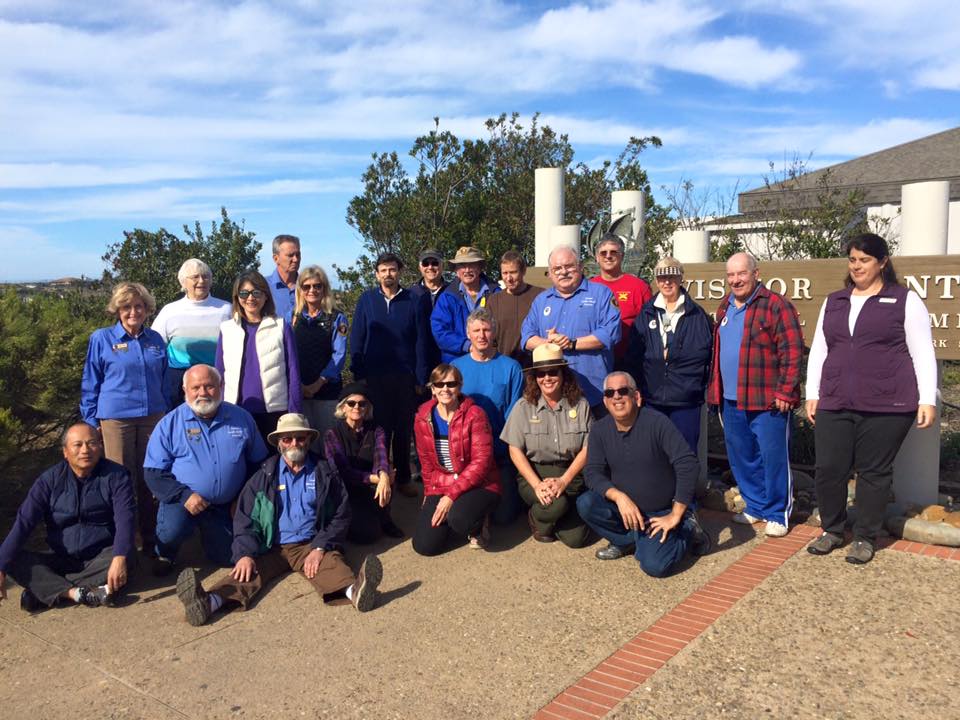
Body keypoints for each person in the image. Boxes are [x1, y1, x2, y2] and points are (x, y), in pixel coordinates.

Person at [174, 413, 382, 626]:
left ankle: (356, 592)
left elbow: (341, 513)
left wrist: (320, 547)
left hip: (309, 544)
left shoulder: (325, 472)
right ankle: (209, 603)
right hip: (271, 546)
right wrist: (244, 554)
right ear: (278, 443)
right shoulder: (263, 477)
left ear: (309, 440)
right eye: (287, 439)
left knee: (333, 565)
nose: (294, 443)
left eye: (300, 438)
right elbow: (245, 518)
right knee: (246, 573)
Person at [805, 233, 937, 564]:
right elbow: (821, 349)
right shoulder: (834, 301)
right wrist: (812, 392)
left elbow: (922, 350)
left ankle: (865, 536)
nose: (857, 266)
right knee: (829, 469)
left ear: (882, 263)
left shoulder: (904, 300)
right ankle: (832, 530)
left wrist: (927, 398)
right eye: (852, 260)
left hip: (887, 404)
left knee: (874, 472)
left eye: (864, 260)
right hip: (835, 400)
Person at [707, 252, 804, 538]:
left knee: (773, 457)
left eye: (741, 274)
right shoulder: (725, 306)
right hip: (731, 399)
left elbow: (792, 350)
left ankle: (777, 512)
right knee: (743, 456)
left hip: (767, 400)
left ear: (756, 273)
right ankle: (757, 506)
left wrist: (786, 390)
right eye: (731, 275)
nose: (736, 280)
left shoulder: (775, 305)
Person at [577, 372, 709, 577]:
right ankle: (628, 541)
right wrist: (618, 497)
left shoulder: (657, 423)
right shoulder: (599, 430)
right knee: (586, 503)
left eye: (623, 391)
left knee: (655, 565)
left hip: (660, 512)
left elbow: (688, 464)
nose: (617, 397)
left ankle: (688, 528)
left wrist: (675, 513)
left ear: (636, 397)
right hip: (625, 510)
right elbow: (592, 472)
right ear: (605, 401)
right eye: (610, 393)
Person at [144, 364, 268, 574]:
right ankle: (164, 551)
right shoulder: (169, 424)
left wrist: (243, 496)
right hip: (183, 501)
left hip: (226, 504)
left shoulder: (242, 418)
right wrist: (185, 496)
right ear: (185, 390)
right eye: (196, 388)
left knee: (228, 558)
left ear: (221, 386)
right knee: (171, 532)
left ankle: (209, 535)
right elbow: (154, 473)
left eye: (209, 386)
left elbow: (259, 463)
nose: (202, 393)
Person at [0, 424, 135, 611]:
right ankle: (76, 593)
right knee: (12, 558)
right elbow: (24, 523)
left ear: (100, 447)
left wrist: (119, 558)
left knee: (125, 556)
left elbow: (125, 519)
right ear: (65, 452)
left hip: (100, 557)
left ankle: (44, 592)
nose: (85, 450)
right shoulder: (49, 480)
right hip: (60, 557)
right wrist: (1, 568)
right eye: (78, 445)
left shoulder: (117, 476)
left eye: (91, 443)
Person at [80, 281, 167, 555]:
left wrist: (165, 412)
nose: (133, 312)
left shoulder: (155, 340)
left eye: (139, 306)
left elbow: (164, 379)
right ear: (117, 309)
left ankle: (152, 535)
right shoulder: (102, 339)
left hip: (153, 417)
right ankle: (125, 539)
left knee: (151, 477)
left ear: (147, 309)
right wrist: (90, 421)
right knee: (121, 480)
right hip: (116, 419)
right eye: (127, 307)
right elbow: (90, 381)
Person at [350, 252, 431, 498]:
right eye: (383, 270)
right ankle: (381, 475)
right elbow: (357, 339)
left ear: (399, 272)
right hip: (374, 378)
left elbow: (421, 342)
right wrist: (359, 376)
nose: (388, 274)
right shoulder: (366, 300)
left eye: (392, 269)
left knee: (403, 429)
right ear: (376, 274)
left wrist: (420, 378)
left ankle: (404, 477)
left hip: (405, 377)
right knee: (378, 430)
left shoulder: (412, 300)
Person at [501, 344, 591, 546]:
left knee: (576, 539)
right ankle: (539, 516)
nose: (547, 378)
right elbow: (514, 449)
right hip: (535, 472)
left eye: (553, 372)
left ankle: (553, 516)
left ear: (563, 373)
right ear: (534, 377)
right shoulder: (523, 406)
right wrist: (537, 484)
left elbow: (588, 447)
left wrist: (564, 481)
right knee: (554, 506)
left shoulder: (581, 404)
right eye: (541, 374)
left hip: (571, 473)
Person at [626, 257, 713, 453]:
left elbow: (706, 357)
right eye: (662, 278)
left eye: (672, 277)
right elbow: (634, 356)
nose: (667, 282)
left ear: (681, 278)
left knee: (683, 453)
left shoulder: (697, 316)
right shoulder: (646, 313)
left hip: (686, 400)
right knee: (653, 452)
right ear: (656, 281)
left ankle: (683, 486)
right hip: (652, 398)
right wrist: (637, 389)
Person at [412, 364, 500, 555]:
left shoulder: (475, 415)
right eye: (439, 384)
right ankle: (453, 520)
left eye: (451, 384)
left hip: (480, 483)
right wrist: (429, 492)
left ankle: (479, 522)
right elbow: (425, 461)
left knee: (460, 519)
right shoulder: (422, 417)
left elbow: (481, 463)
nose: (445, 389)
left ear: (459, 386)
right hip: (442, 482)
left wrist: (451, 496)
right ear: (432, 389)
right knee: (425, 546)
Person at [521, 245, 621, 414]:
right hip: (553, 396)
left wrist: (572, 343)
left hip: (594, 393)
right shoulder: (541, 301)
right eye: (557, 268)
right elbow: (526, 337)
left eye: (569, 266)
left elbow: (610, 333)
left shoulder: (601, 294)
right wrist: (550, 344)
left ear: (581, 267)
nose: (563, 272)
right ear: (550, 273)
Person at [452, 307, 524, 525]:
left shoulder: (511, 367)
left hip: (500, 453)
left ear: (494, 332)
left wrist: (498, 448)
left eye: (486, 330)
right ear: (468, 334)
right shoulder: (456, 368)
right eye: (476, 330)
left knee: (505, 518)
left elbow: (514, 413)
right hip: (466, 454)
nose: (481, 335)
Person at [215, 269, 302, 446]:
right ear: (237, 297)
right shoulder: (227, 329)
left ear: (265, 296)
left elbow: (293, 371)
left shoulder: (280, 326)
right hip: (235, 411)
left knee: (270, 467)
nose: (250, 298)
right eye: (244, 293)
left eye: (256, 292)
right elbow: (219, 373)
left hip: (274, 412)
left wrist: (294, 411)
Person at [324, 382, 404, 542]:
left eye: (362, 403)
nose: (357, 407)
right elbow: (342, 472)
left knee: (387, 472)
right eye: (351, 403)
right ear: (343, 407)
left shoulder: (376, 430)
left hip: (371, 485)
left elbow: (381, 454)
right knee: (368, 535)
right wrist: (374, 478)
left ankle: (385, 518)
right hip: (346, 490)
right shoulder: (332, 434)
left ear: (368, 408)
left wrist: (384, 475)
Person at [152, 258, 232, 407]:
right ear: (183, 282)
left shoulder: (226, 309)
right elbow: (155, 345)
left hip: (215, 377)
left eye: (206, 276)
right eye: (195, 277)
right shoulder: (170, 311)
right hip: (178, 380)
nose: (201, 281)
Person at [292, 265, 347, 453]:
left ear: (324, 288)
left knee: (329, 445)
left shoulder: (337, 318)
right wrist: (298, 384)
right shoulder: (293, 318)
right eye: (306, 286)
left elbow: (338, 355)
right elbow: (287, 354)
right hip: (300, 392)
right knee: (303, 445)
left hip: (327, 392)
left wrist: (319, 383)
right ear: (300, 290)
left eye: (317, 286)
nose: (312, 290)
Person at [589, 233, 652, 367]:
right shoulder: (588, 288)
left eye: (613, 252)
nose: (608, 256)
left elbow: (651, 326)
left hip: (632, 360)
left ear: (622, 256)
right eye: (603, 253)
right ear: (597, 258)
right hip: (596, 359)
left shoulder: (639, 286)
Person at [431, 246, 499, 363]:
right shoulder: (446, 297)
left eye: (471, 265)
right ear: (456, 271)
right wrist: (467, 346)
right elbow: (439, 331)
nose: (467, 270)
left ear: (480, 267)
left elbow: (503, 326)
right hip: (457, 363)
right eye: (462, 265)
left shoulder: (496, 293)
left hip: (491, 360)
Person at [486, 250, 543, 366]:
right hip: (503, 366)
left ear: (523, 271)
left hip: (534, 366)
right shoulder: (493, 301)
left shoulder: (540, 296)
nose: (509, 278)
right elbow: (489, 336)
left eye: (513, 272)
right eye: (505, 273)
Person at [408, 248, 449, 376]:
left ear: (442, 265)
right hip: (419, 362)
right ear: (420, 267)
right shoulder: (410, 295)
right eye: (426, 263)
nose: (430, 267)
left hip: (446, 358)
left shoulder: (452, 292)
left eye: (435, 263)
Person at [267, 234, 302, 321]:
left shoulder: (310, 287)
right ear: (276, 258)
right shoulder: (263, 287)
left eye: (298, 255)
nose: (296, 259)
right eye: (290, 255)